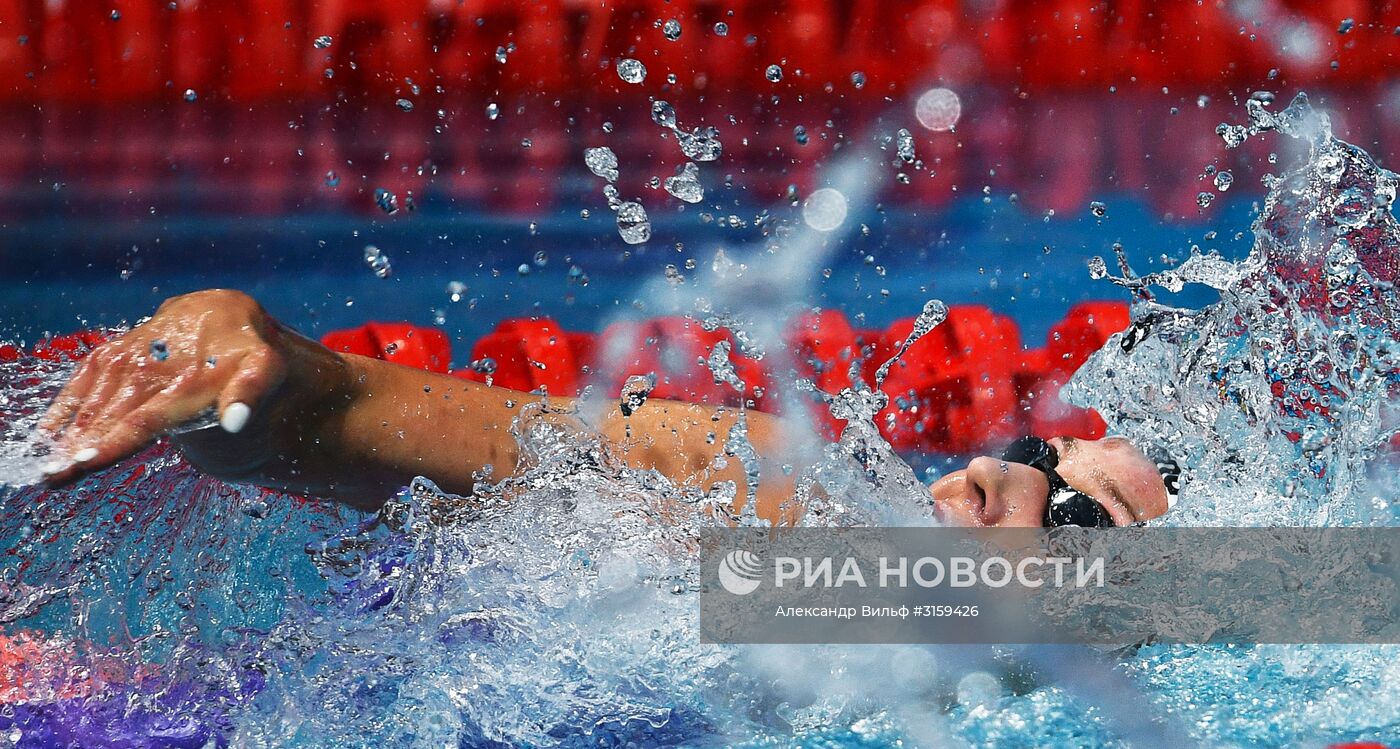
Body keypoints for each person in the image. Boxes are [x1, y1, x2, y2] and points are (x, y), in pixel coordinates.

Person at [38, 289, 1176, 528]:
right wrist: (289, 378)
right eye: (1034, 458)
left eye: (1077, 525)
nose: (994, 483)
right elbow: (516, 445)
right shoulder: (803, 507)